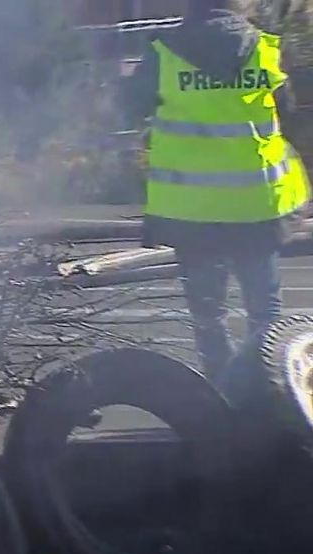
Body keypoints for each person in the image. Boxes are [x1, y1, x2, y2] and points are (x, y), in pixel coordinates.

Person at [123, 0, 310, 384]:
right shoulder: (263, 49)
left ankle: (222, 395)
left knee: (208, 313)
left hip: (193, 208)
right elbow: (288, 114)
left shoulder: (163, 54)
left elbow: (130, 107)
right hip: (256, 202)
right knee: (265, 311)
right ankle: (267, 392)